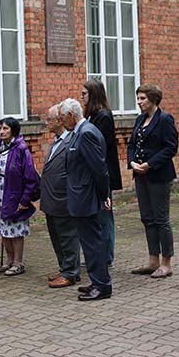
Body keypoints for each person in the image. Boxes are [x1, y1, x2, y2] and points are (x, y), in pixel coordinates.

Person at [59, 98, 112, 301]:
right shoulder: (79, 132)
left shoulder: (87, 133)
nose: (62, 122)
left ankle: (102, 285)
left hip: (87, 197)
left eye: (63, 118)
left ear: (71, 116)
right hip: (81, 196)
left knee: (93, 242)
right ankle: (97, 280)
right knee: (89, 242)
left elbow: (99, 169)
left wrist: (103, 195)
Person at [127, 84, 179, 278]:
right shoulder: (140, 119)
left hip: (158, 174)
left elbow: (170, 147)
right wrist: (132, 162)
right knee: (147, 218)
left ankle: (166, 263)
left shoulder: (164, 119)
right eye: (138, 98)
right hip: (140, 175)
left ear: (153, 99)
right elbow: (132, 143)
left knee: (161, 219)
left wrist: (149, 164)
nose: (139, 102)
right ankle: (152, 260)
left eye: (143, 98)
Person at [0, 117, 38, 276]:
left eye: (6, 129)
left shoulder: (21, 149)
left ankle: (18, 262)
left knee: (15, 230)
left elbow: (30, 176)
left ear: (13, 131)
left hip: (14, 194)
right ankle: (9, 260)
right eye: (0, 128)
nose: (2, 131)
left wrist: (25, 199)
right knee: (3, 229)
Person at [81, 79, 122, 267]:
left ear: (93, 95)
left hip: (103, 174)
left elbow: (101, 148)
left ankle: (106, 257)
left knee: (104, 217)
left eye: (84, 94)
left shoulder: (103, 116)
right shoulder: (91, 116)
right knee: (97, 216)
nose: (82, 97)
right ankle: (99, 254)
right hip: (94, 174)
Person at [41, 104, 80, 288]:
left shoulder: (71, 140)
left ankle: (70, 272)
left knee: (67, 237)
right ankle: (65, 267)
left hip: (63, 198)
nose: (46, 122)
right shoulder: (56, 141)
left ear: (59, 120)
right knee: (56, 236)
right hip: (51, 199)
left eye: (49, 119)